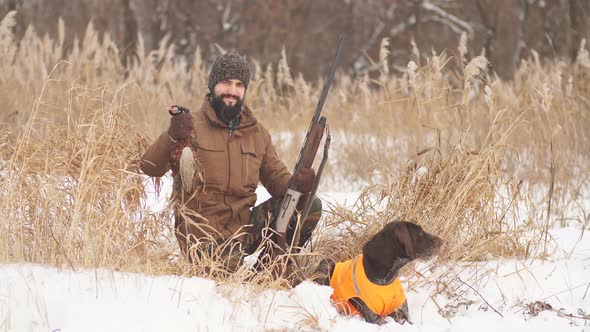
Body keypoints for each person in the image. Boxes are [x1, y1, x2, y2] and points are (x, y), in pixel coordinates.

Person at [140, 52, 322, 267]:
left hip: (243, 229)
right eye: (226, 83)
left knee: (310, 206)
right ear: (213, 85)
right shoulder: (189, 125)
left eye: (239, 85)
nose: (232, 91)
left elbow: (277, 180)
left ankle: (272, 268)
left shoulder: (257, 133)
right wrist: (172, 135)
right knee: (226, 267)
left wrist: (299, 185)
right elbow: (150, 167)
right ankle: (246, 276)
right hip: (202, 236)